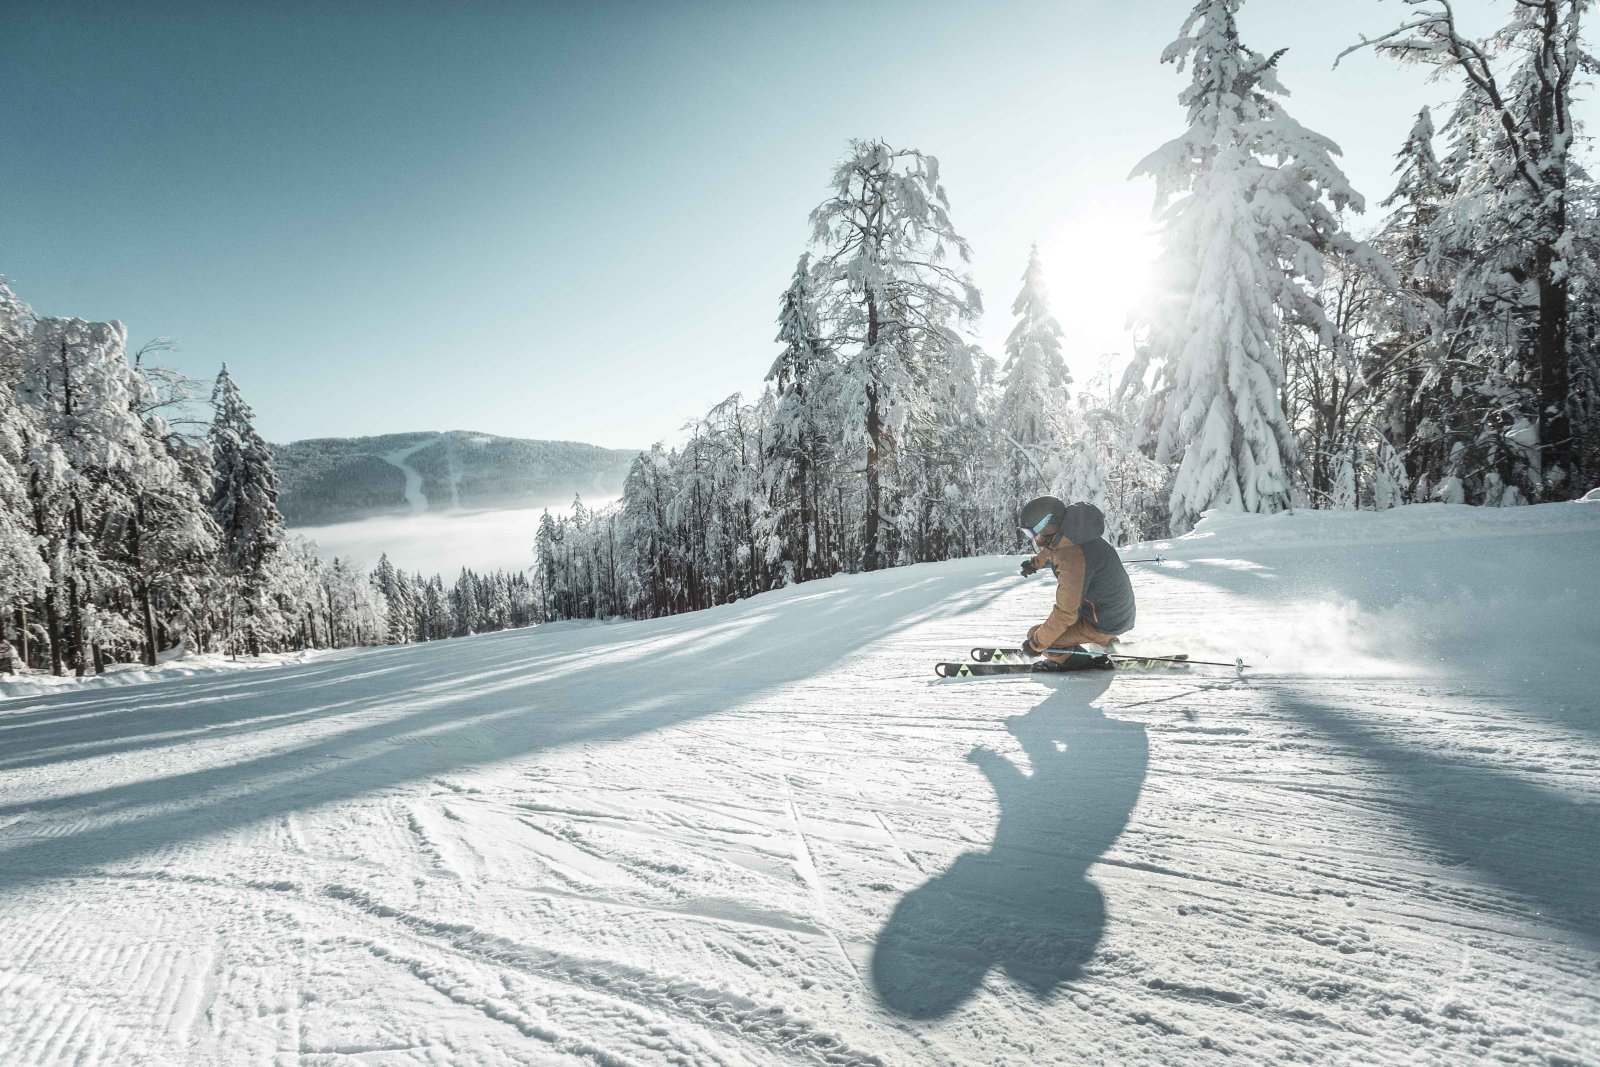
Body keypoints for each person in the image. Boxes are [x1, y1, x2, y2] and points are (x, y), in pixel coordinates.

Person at [1017, 496, 1135, 671]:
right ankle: (1105, 641)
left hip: (1103, 622)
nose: (1034, 539)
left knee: (1035, 634)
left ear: (1048, 525)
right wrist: (1035, 563)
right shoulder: (1076, 534)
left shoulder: (1071, 557)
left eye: (1033, 533)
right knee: (1046, 633)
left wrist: (1036, 645)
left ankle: (1078, 660)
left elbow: (1066, 613)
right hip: (1114, 613)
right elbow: (1053, 548)